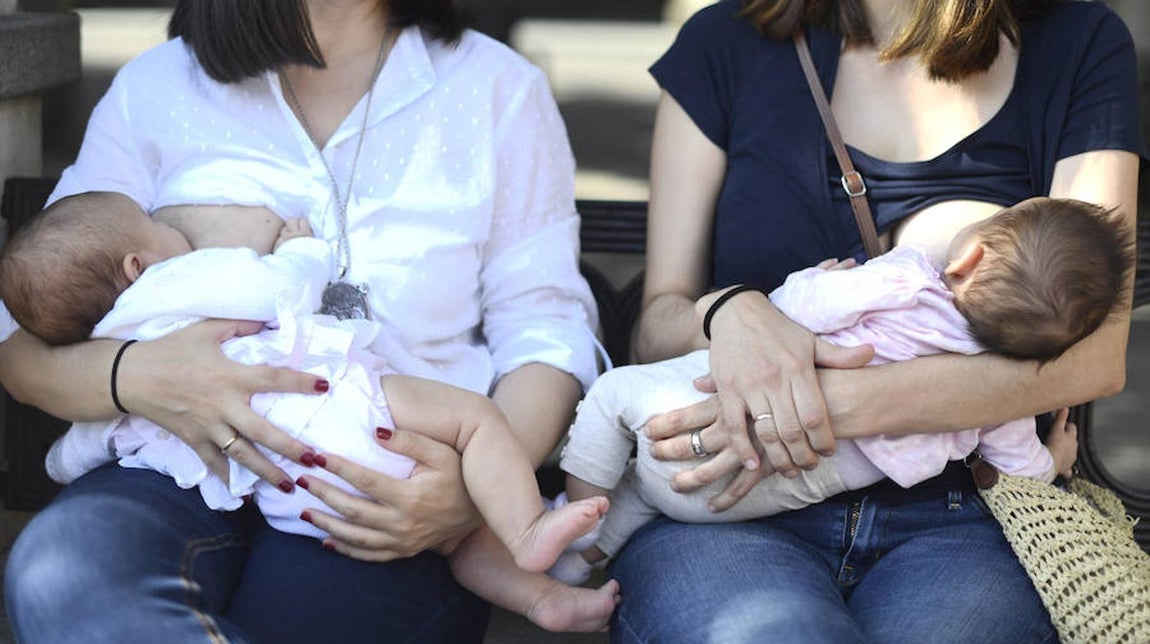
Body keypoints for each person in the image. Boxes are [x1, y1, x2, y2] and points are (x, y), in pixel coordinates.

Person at [0, 1, 604, 642]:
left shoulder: (496, 88)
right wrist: (138, 372)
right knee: (65, 575)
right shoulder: (158, 87)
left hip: (381, 492)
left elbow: (544, 327)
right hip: (174, 463)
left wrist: (472, 490)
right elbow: (21, 340)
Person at [613, 0, 1144, 642]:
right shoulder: (724, 42)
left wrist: (821, 406)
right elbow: (656, 322)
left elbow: (1092, 356)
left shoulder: (1075, 41)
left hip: (967, 514)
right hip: (735, 508)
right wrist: (731, 311)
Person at [0, 191, 620, 633]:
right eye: (149, 220)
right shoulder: (179, 279)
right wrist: (304, 250)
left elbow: (85, 444)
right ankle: (528, 535)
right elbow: (278, 287)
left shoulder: (115, 323)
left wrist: (66, 453)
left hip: (289, 493)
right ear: (137, 266)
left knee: (447, 537)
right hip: (349, 408)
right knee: (475, 426)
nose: (169, 229)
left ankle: (540, 596)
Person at [551, 196, 1127, 580]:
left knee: (612, 398)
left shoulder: (906, 282)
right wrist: (1055, 457)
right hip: (762, 494)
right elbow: (1020, 468)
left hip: (702, 422)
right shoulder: (993, 394)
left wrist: (817, 280)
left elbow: (796, 312)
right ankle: (587, 552)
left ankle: (574, 525)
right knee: (650, 495)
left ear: (969, 253)